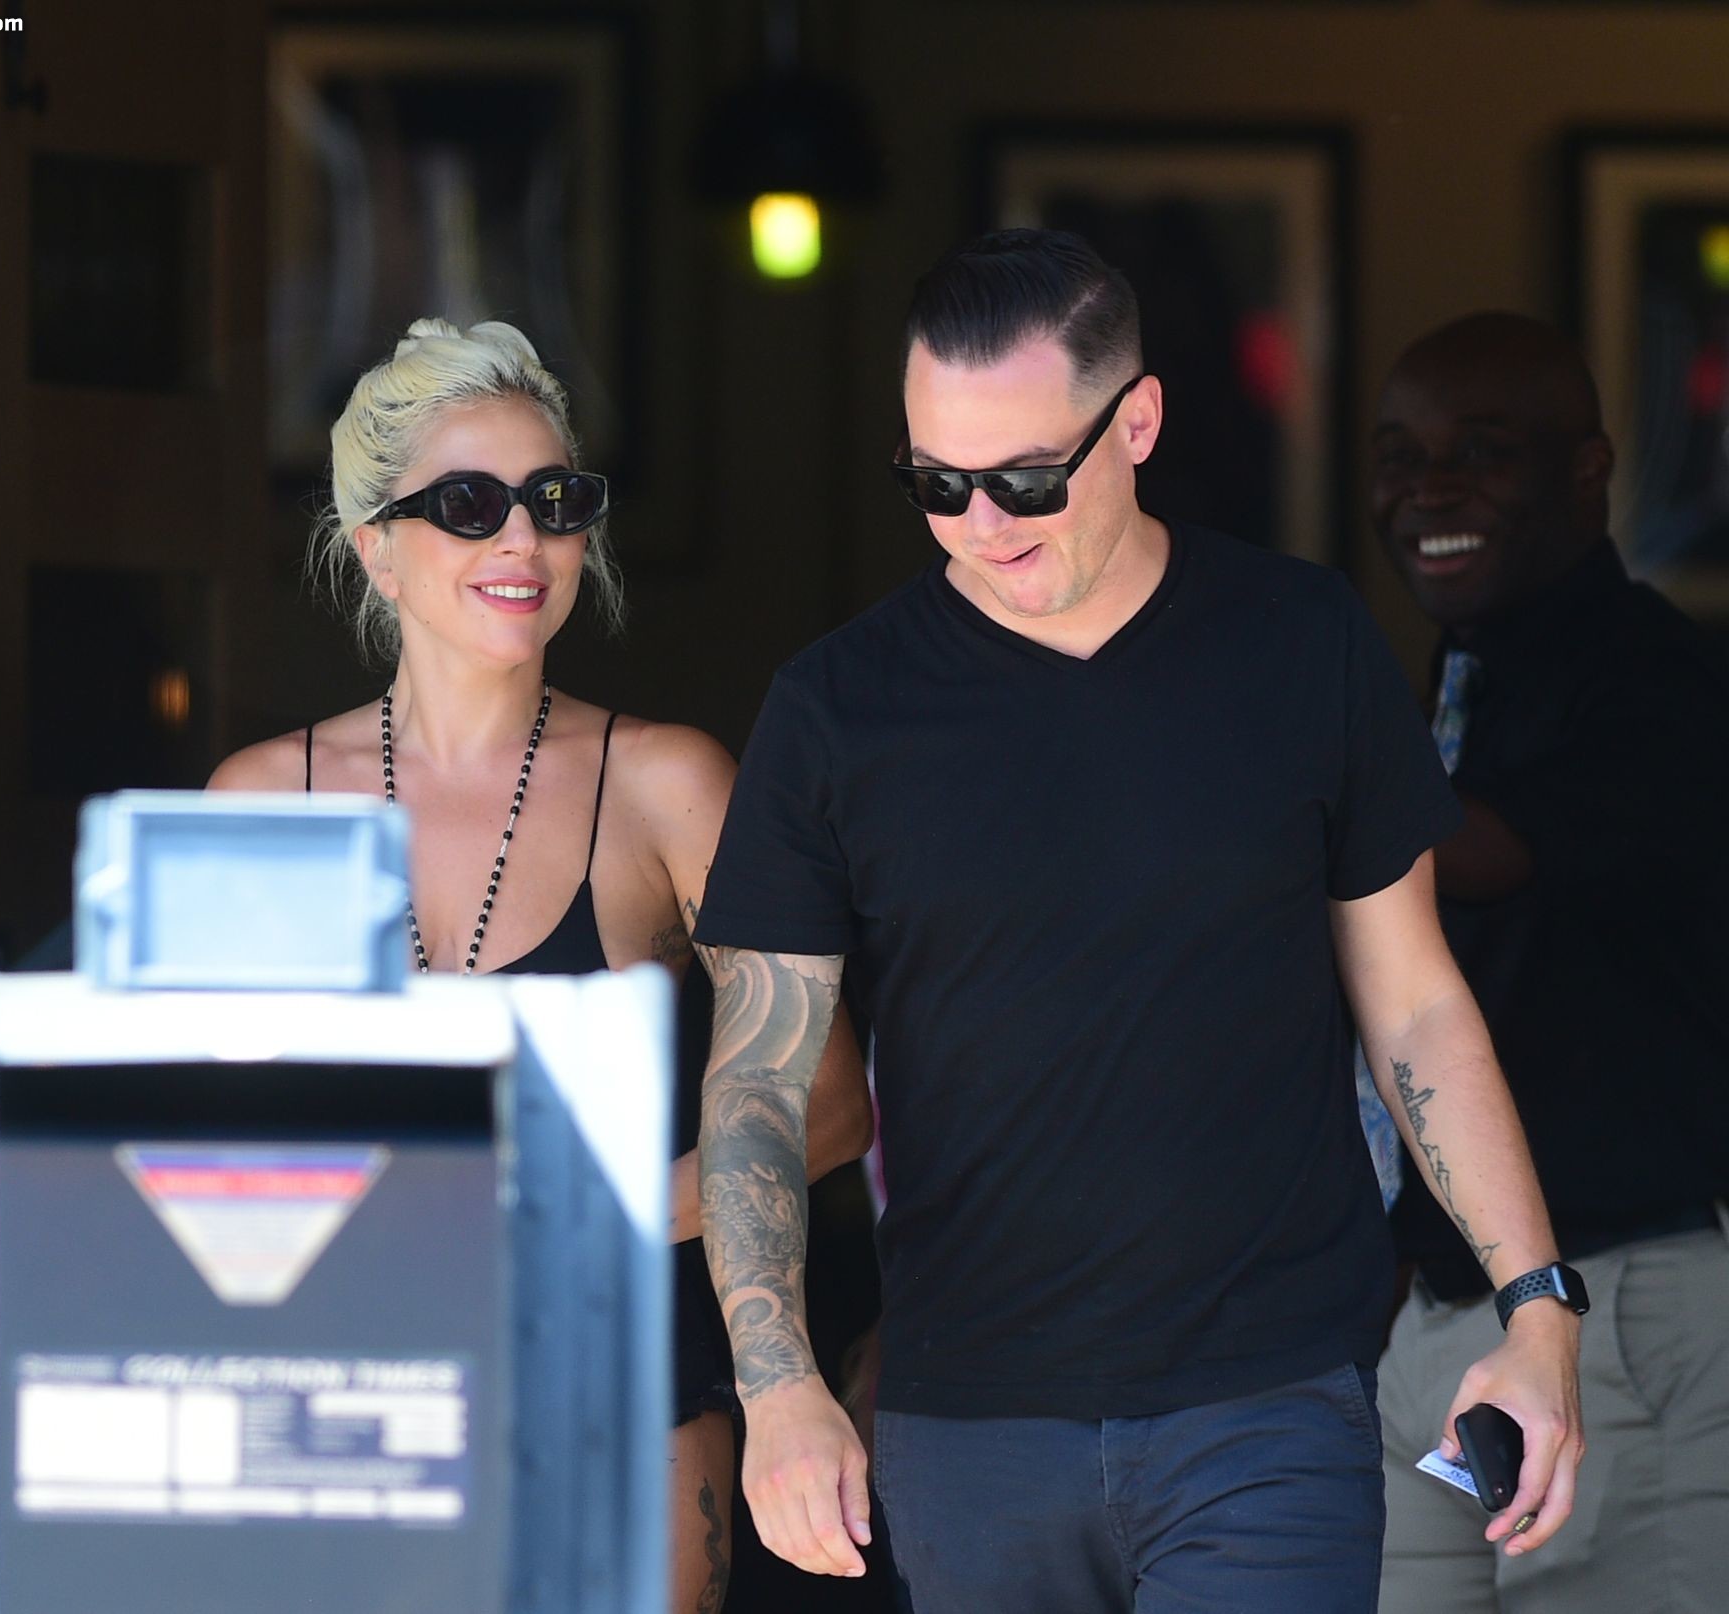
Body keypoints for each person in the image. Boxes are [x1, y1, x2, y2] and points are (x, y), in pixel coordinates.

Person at [690, 230, 1586, 1613]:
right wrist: (778, 1385)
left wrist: (1536, 1303)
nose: (983, 523)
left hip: (1269, 1401)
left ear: (1140, 422)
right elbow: (757, 1076)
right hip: (968, 1421)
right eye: (936, 484)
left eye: (1025, 479)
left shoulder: (1301, 641)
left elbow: (1414, 1002)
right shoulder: (835, 709)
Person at [207, 318, 871, 1614]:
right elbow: (191, 1135)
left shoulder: (667, 785)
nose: (521, 538)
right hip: (344, 1387)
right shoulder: (262, 801)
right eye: (469, 504)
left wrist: (583, 1222)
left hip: (620, 1381)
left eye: (555, 502)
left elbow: (834, 1102)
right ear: (375, 546)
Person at [1370, 311, 1729, 1614]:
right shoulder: (1458, 674)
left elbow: (1492, 853)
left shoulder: (1660, 673)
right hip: (1442, 1317)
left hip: (1620, 1302)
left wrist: (1291, 755)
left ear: (1588, 470)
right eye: (1400, 456)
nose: (1430, 488)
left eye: (1482, 451)